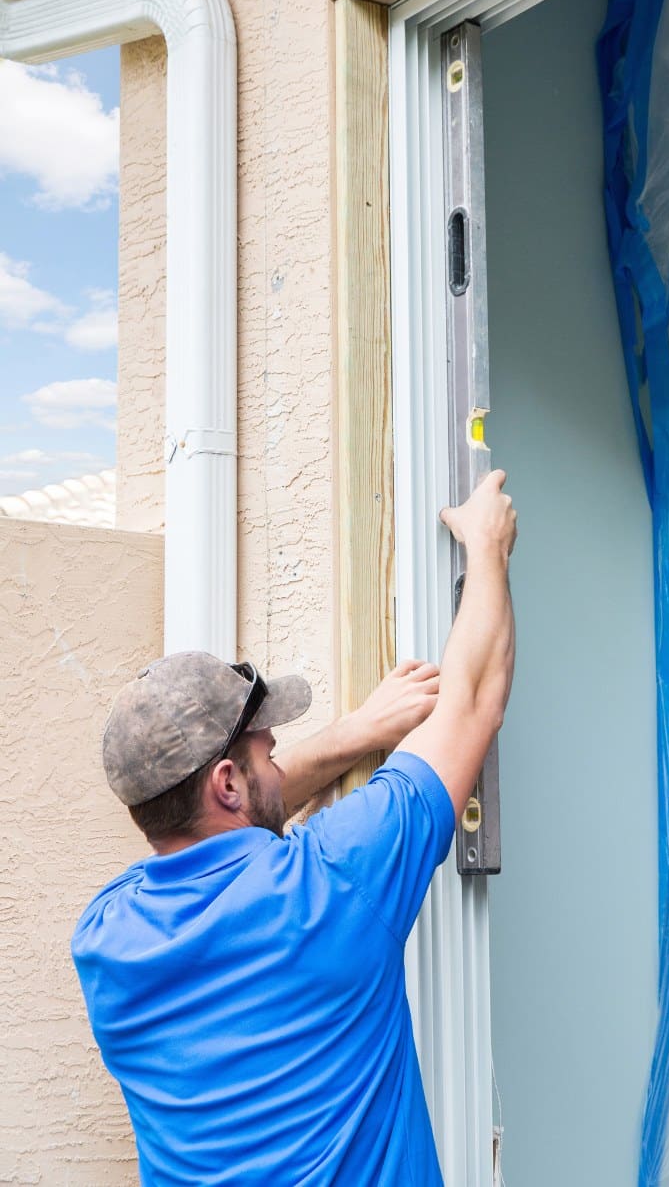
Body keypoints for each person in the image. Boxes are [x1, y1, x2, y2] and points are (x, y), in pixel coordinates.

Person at [71, 470, 517, 1186]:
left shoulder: (103, 939)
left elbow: (221, 824)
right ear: (226, 783)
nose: (279, 757)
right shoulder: (333, 880)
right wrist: (487, 547)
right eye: (265, 750)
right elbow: (473, 698)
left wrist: (353, 733)